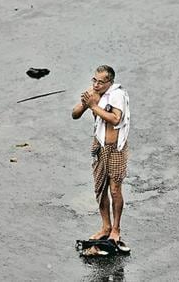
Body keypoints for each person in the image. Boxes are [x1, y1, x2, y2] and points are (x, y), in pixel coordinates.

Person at [72, 65, 131, 251]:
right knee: (100, 188)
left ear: (110, 82)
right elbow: (75, 114)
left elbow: (115, 119)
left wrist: (93, 106)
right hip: (99, 146)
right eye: (94, 80)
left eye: (100, 82)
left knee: (115, 189)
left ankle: (116, 229)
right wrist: (85, 103)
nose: (96, 84)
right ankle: (105, 226)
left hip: (116, 148)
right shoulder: (93, 93)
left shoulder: (117, 95)